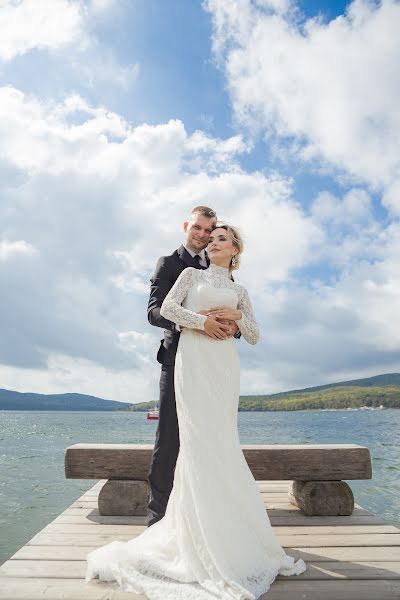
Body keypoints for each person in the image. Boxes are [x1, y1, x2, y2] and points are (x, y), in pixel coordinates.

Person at [85, 223, 306, 598]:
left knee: (222, 444)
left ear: (235, 249)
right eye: (210, 237)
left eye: (221, 238)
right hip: (193, 360)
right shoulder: (189, 275)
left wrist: (235, 318)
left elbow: (254, 335)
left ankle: (230, 536)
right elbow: (167, 307)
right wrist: (202, 321)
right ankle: (195, 535)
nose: (212, 242)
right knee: (197, 444)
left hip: (223, 368)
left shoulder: (240, 290)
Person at [146, 206, 239, 527]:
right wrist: (198, 323)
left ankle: (205, 518)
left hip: (214, 364)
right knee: (170, 437)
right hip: (178, 361)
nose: (203, 236)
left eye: (209, 230)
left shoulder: (219, 268)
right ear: (187, 226)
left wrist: (234, 326)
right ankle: (158, 520)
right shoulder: (170, 264)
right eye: (198, 228)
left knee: (210, 435)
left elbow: (231, 311)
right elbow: (155, 312)